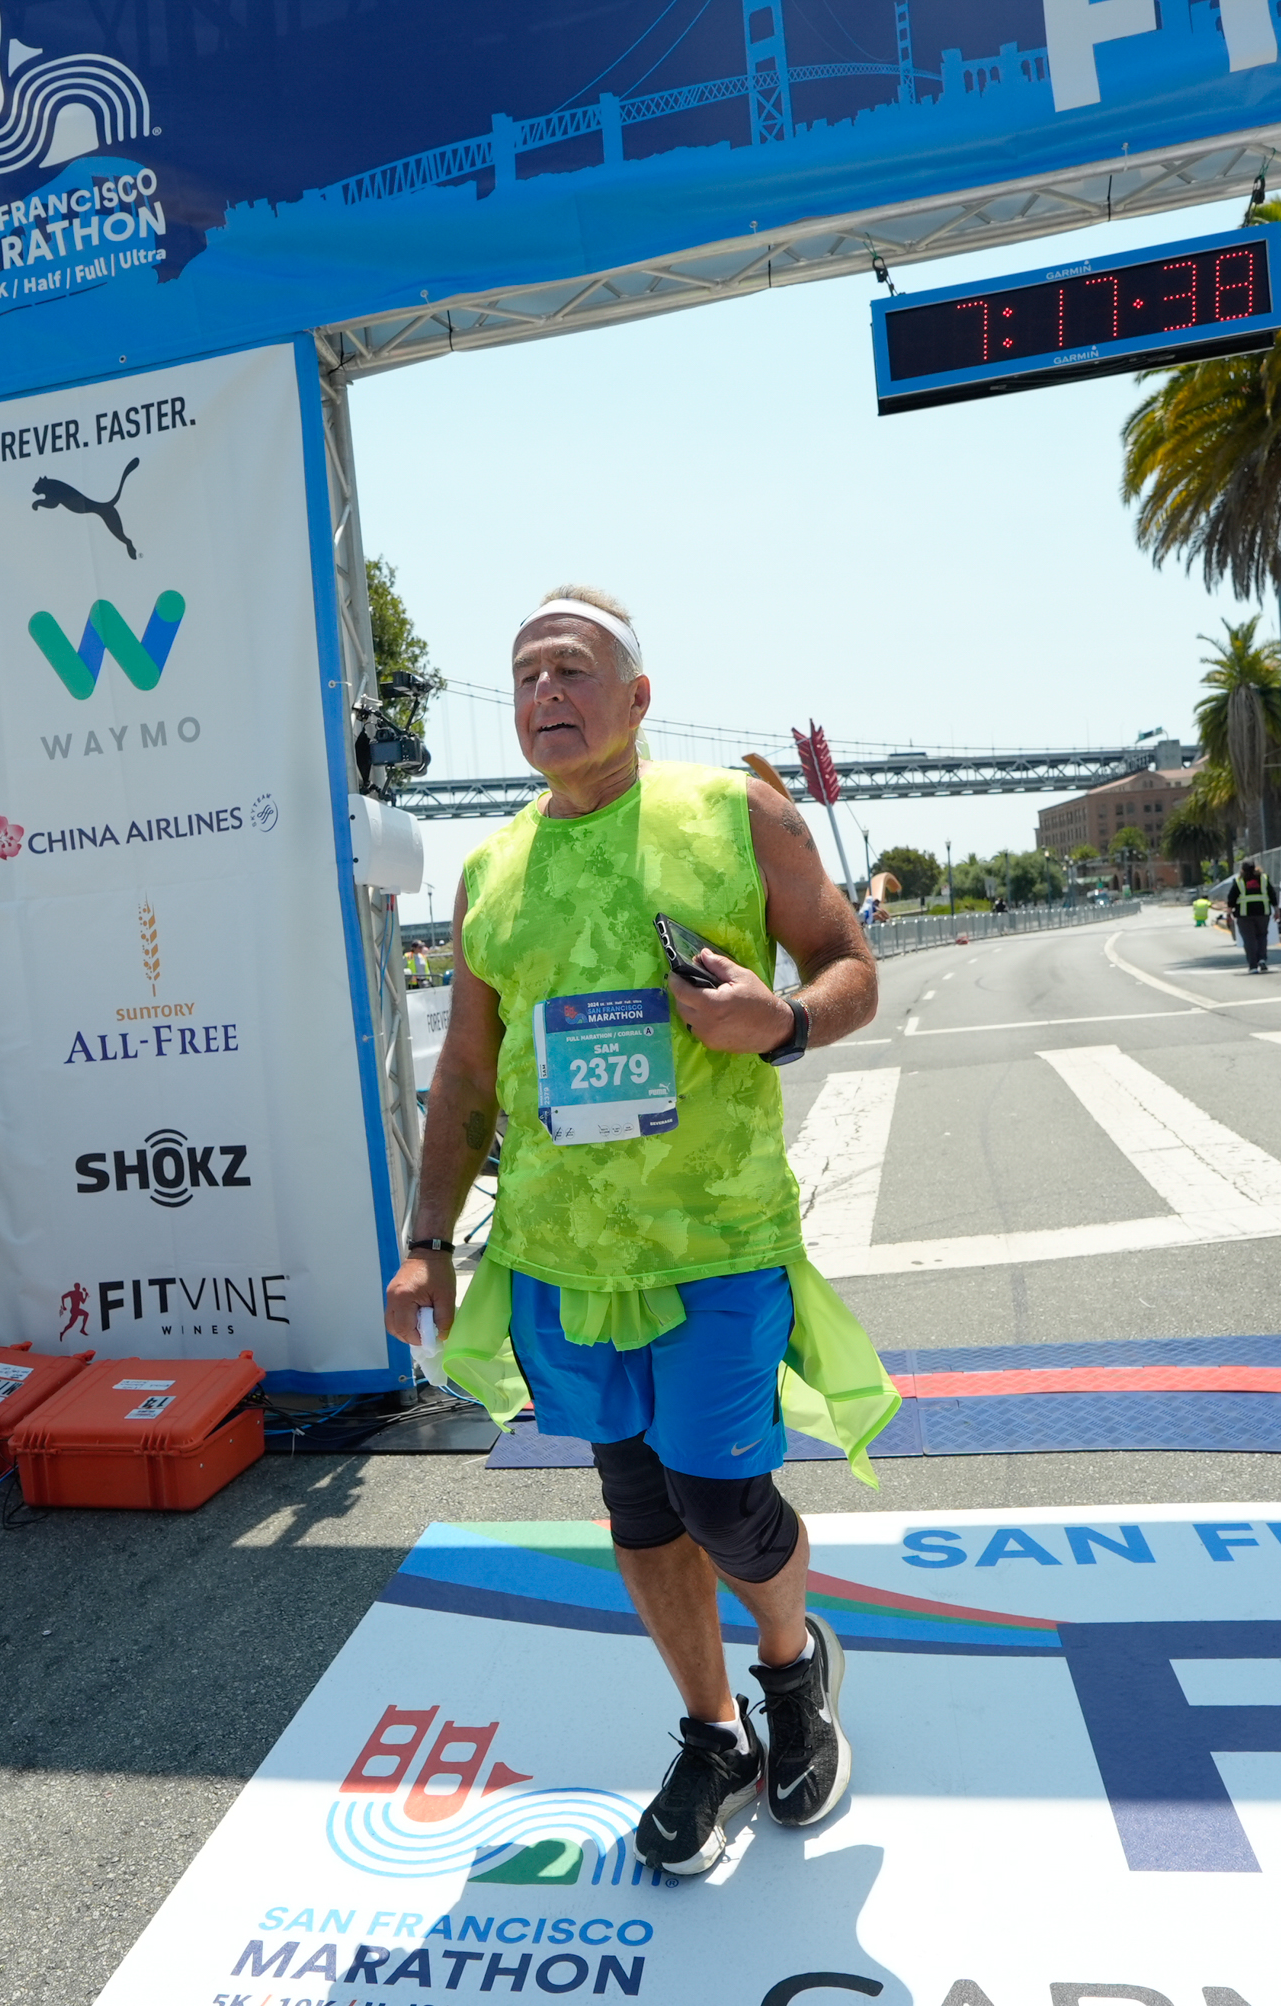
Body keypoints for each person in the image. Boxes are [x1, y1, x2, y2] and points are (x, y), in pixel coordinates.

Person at [386, 585, 898, 1880]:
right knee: (635, 1503)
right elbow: (461, 1070)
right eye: (524, 678)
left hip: (716, 1239)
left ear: (637, 697)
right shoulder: (492, 867)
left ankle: (793, 1670)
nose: (546, 693)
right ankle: (713, 1730)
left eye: (573, 668)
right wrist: (428, 1236)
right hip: (563, 1251)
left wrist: (781, 1021)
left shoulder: (736, 812)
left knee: (723, 1498)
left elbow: (851, 965)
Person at [1224, 859, 1275, 972]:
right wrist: (1277, 909)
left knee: (1249, 939)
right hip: (1262, 913)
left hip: (1244, 915)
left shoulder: (1239, 881)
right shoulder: (1263, 879)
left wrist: (1228, 914)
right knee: (1262, 936)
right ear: (1256, 867)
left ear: (1242, 869)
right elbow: (1272, 894)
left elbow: (1231, 899)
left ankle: (1253, 966)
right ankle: (1262, 959)